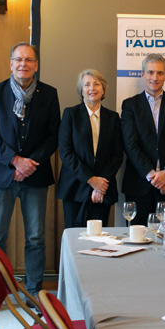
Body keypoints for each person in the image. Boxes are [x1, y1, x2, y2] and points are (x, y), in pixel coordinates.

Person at [0, 42, 60, 301]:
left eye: (28, 60)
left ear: (36, 64)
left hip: (35, 176)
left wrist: (29, 164)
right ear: (11, 63)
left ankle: (35, 290)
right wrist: (15, 161)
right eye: (18, 59)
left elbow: (53, 136)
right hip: (2, 175)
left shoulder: (48, 94)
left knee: (36, 237)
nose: (23, 64)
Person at [121, 54, 165, 225]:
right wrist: (154, 176)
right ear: (142, 74)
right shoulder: (130, 105)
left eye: (160, 73)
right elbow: (130, 144)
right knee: (137, 241)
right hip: (139, 185)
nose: (154, 78)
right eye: (150, 72)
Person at [56, 69, 123, 228]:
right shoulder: (70, 114)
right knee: (75, 239)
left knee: (100, 242)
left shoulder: (113, 117)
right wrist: (91, 180)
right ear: (81, 90)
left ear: (103, 89)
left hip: (103, 190)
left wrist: (100, 186)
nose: (92, 88)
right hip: (75, 188)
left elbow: (117, 154)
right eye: (87, 85)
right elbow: (66, 152)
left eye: (96, 84)